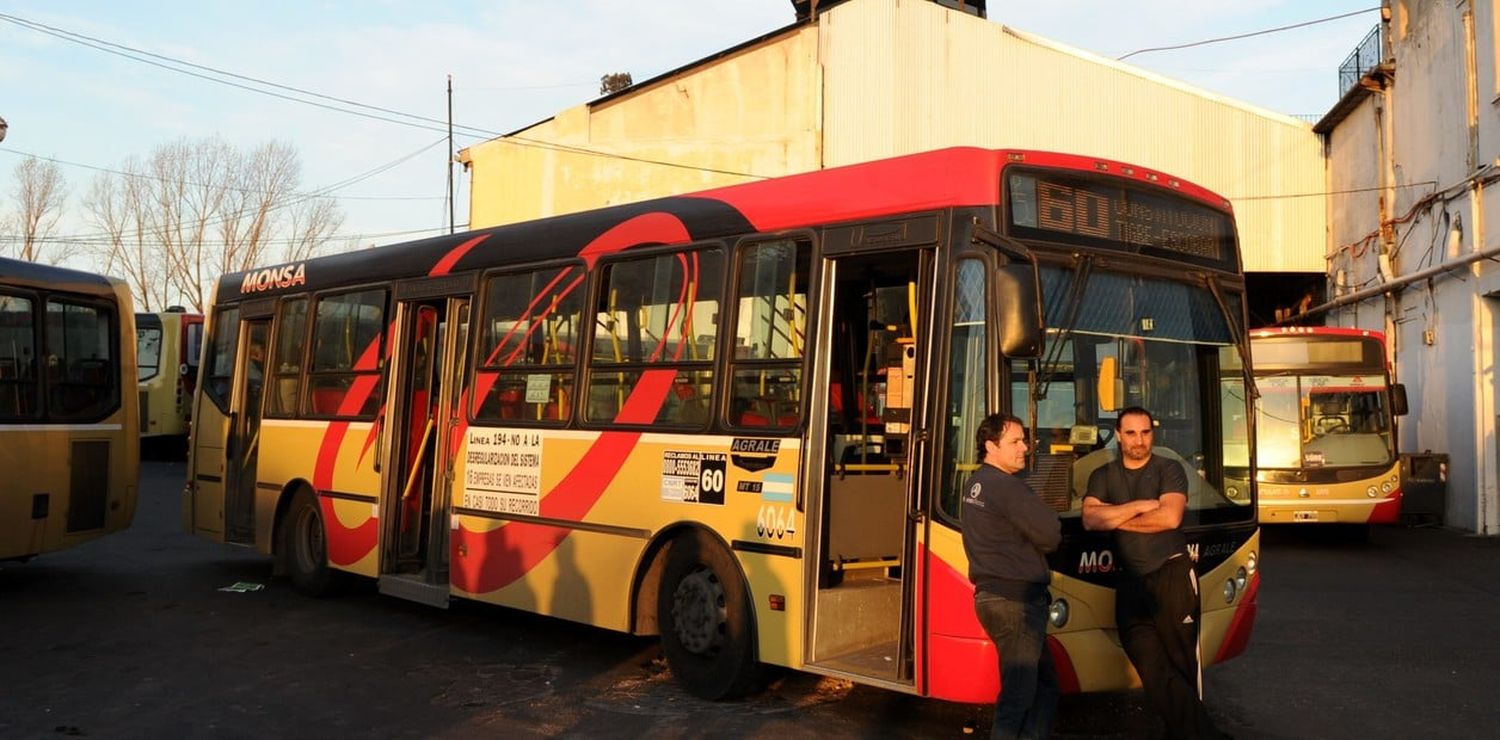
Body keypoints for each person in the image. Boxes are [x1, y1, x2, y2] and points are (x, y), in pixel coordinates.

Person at [1082, 407, 1227, 740]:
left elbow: (1170, 519)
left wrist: (1115, 519)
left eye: (1145, 432)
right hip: (1130, 583)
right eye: (1131, 433)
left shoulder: (1169, 468)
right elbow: (1090, 520)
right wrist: (1139, 506)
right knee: (1151, 668)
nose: (1139, 440)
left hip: (1172, 575)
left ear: (1153, 434)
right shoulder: (1102, 475)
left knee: (1181, 667)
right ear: (1118, 435)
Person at [961, 413, 1062, 740]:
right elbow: (1051, 535)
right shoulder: (1007, 487)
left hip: (993, 598)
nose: (1025, 448)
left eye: (1024, 440)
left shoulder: (976, 483)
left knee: (1044, 686)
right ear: (991, 446)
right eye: (1015, 442)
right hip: (1016, 602)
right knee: (1018, 697)